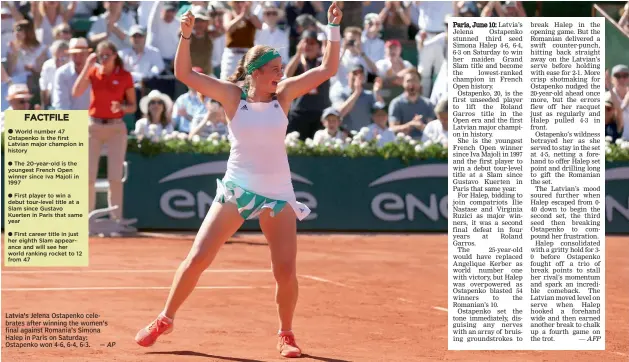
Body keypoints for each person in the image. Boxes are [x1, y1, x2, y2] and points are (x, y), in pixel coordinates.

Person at [134, 3, 343, 358]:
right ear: (256, 72)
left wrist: (332, 28)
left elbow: (328, 67)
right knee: (198, 257)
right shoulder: (233, 96)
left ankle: (287, 334)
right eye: (275, 70)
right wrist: (185, 35)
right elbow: (184, 73)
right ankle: (164, 319)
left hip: (278, 193)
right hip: (237, 188)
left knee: (285, 271)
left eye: (281, 70)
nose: (281, 74)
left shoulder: (286, 94)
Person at [72, 40, 136, 227]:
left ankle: (116, 219)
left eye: (107, 55)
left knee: (115, 176)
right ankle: (88, 219)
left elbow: (132, 106)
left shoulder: (125, 76)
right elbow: (76, 92)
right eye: (101, 56)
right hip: (94, 126)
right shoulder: (93, 71)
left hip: (116, 127)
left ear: (115, 56)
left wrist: (121, 106)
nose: (104, 59)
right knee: (88, 175)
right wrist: (87, 65)